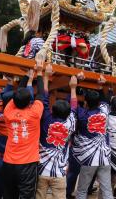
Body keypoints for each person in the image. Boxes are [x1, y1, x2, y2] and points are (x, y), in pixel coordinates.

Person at [2, 56, 45, 199]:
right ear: (29, 102)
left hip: (8, 162)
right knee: (27, 196)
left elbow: (20, 93)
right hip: (27, 164)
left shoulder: (8, 112)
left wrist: (28, 75)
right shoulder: (34, 114)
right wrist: (39, 73)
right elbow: (41, 95)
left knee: (9, 195)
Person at [36, 66, 78, 199]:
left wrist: (46, 77)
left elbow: (44, 99)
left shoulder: (46, 119)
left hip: (41, 168)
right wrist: (73, 88)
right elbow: (74, 107)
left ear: (53, 111)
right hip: (59, 172)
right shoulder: (70, 123)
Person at [72, 75, 113, 199]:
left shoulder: (83, 114)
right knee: (107, 190)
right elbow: (105, 100)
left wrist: (73, 87)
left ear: (85, 103)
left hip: (89, 158)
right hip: (105, 157)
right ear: (99, 103)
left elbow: (73, 106)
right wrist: (100, 86)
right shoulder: (105, 111)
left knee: (82, 191)